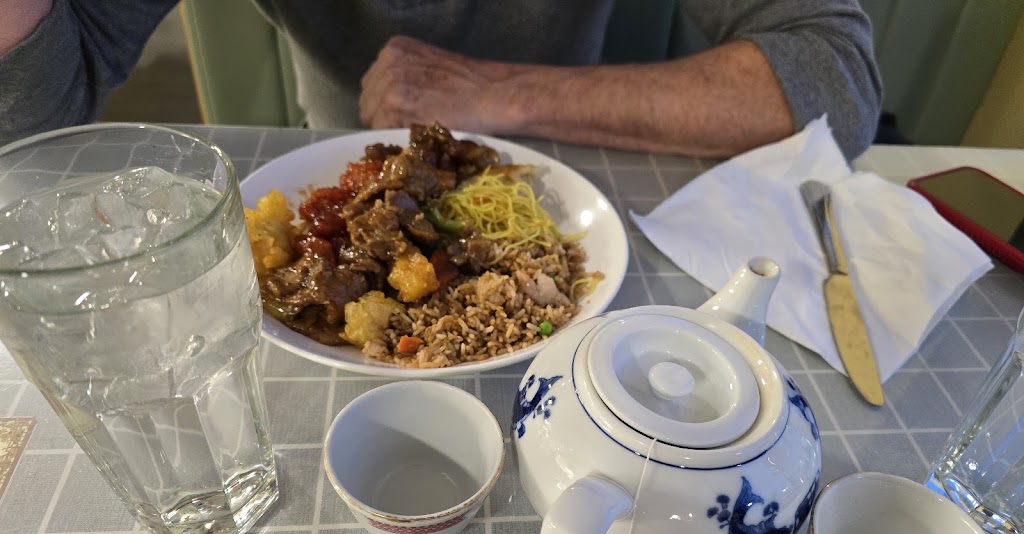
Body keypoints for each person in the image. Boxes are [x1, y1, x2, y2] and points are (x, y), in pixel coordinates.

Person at [0, 0, 881, 159]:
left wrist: (499, 95)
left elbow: (834, 79)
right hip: (334, 170)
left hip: (569, 172)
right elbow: (30, 121)